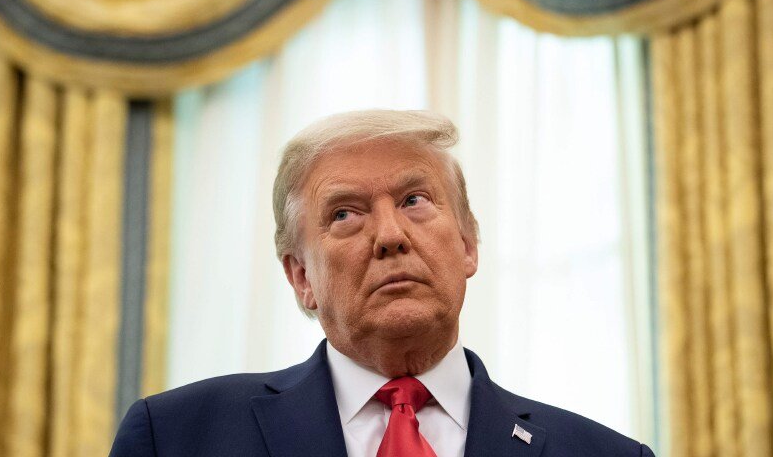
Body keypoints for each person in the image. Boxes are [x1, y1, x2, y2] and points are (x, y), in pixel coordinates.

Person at [110, 109, 655, 457]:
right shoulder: (177, 438)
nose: (390, 235)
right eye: (345, 214)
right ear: (301, 276)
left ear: (468, 245)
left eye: (415, 200)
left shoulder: (600, 454)